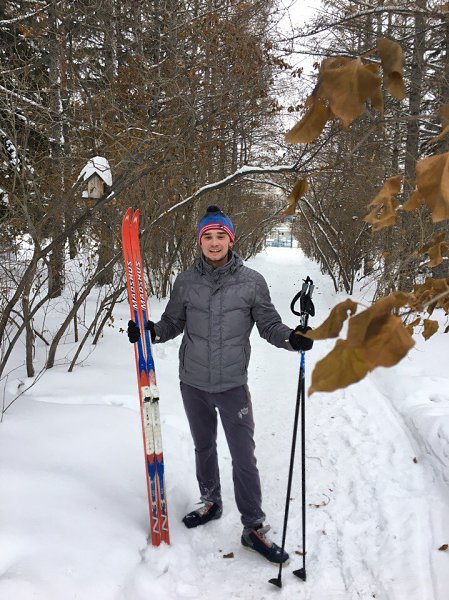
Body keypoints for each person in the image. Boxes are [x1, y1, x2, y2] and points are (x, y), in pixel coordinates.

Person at [127, 205, 313, 564]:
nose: (214, 243)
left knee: (243, 455)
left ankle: (253, 526)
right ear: (200, 241)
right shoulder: (185, 281)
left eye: (220, 236)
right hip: (193, 382)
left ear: (231, 239)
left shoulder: (252, 282)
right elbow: (172, 323)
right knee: (204, 446)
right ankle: (211, 501)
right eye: (208, 237)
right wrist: (151, 332)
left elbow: (269, 325)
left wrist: (292, 338)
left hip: (231, 384)